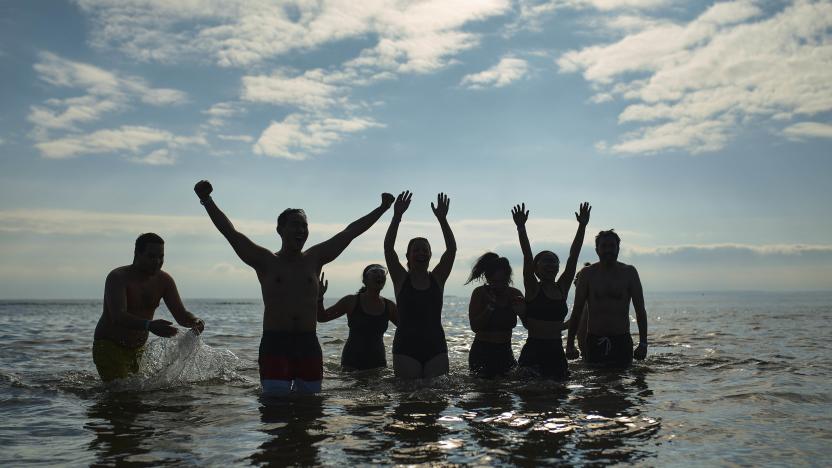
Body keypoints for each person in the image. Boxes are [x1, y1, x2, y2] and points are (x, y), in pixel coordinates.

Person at [194, 180, 394, 395]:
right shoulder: (265, 260)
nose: (301, 230)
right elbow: (229, 232)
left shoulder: (315, 258)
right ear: (280, 229)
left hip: (308, 343)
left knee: (310, 409)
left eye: (304, 225)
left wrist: (382, 208)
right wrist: (206, 200)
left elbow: (351, 232)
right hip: (275, 342)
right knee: (275, 407)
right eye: (295, 224)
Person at [93, 233, 205, 382]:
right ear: (137, 254)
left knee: (139, 398)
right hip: (109, 346)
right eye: (151, 256)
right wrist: (149, 325)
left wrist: (195, 321)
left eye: (161, 257)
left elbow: (182, 315)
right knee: (122, 397)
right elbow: (118, 316)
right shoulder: (118, 277)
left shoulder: (165, 280)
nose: (157, 262)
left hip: (139, 350)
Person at [511, 202, 591, 379]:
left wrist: (582, 226)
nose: (551, 265)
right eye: (546, 261)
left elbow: (573, 256)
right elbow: (527, 255)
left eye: (554, 262)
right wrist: (521, 228)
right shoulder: (532, 287)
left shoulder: (562, 287)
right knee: (529, 402)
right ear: (536, 268)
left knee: (557, 401)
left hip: (556, 351)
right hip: (534, 350)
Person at [384, 191, 456, 379]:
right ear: (408, 256)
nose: (421, 253)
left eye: (425, 250)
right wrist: (397, 216)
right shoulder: (401, 278)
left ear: (430, 255)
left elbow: (451, 250)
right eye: (416, 250)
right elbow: (388, 248)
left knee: (436, 398)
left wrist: (443, 220)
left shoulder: (438, 278)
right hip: (406, 347)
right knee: (407, 399)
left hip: (436, 346)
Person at [565, 230, 648, 368]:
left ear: (618, 248)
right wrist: (569, 344)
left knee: (622, 386)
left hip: (621, 340)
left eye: (612, 246)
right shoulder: (587, 274)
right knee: (595, 386)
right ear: (597, 249)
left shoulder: (629, 272)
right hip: (594, 340)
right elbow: (577, 311)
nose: (608, 250)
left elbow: (640, 310)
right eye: (604, 246)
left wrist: (643, 343)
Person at [316, 264, 398, 370]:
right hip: (351, 364)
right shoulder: (351, 301)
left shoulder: (389, 306)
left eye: (382, 273)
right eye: (374, 272)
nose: (379, 275)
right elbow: (322, 318)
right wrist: (319, 298)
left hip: (378, 364)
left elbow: (405, 328)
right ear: (365, 280)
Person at [465, 253, 525, 378]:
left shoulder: (515, 295)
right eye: (494, 282)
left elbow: (528, 325)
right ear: (488, 279)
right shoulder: (479, 294)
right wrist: (490, 306)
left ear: (508, 278)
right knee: (483, 393)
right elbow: (475, 327)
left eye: (503, 282)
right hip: (481, 352)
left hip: (505, 351)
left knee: (506, 393)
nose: (498, 286)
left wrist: (522, 311)